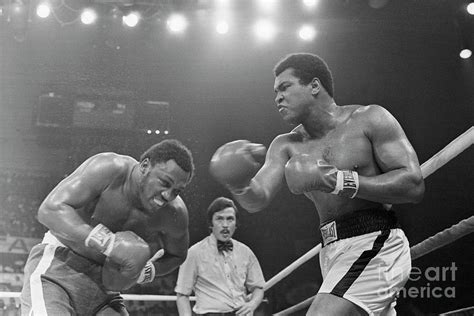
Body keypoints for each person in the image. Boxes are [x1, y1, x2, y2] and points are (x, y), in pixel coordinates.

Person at [209, 53, 425, 315]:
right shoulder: (285, 145)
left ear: (314, 86)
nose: (277, 97)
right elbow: (258, 198)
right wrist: (238, 182)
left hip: (375, 241)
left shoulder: (369, 119)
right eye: (275, 91)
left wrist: (339, 180)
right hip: (332, 249)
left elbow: (413, 185)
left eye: (285, 87)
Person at [20, 139, 195, 315]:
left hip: (105, 288)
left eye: (177, 191)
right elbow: (50, 209)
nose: (167, 195)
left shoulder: (175, 213)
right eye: (165, 182)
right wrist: (108, 243)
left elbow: (177, 254)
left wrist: (147, 271)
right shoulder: (110, 168)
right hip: (58, 266)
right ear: (145, 166)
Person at [175, 197, 265, 316]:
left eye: (230, 219)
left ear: (236, 223)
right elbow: (182, 295)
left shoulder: (246, 252)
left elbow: (258, 287)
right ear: (210, 223)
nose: (225, 225)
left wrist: (252, 304)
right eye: (219, 219)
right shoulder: (194, 252)